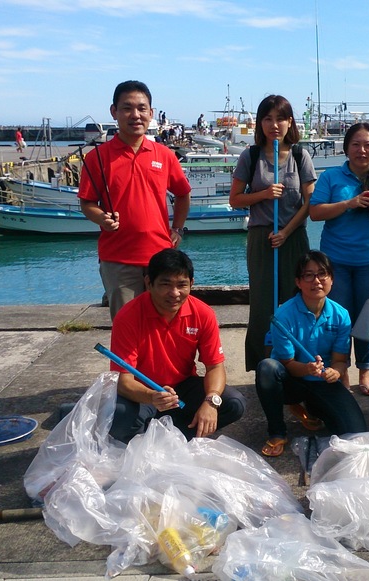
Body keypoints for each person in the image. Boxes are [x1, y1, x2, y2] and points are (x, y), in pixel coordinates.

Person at [78, 80, 192, 320]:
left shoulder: (164, 155)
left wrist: (178, 229)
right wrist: (103, 219)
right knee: (126, 326)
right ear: (114, 112)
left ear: (151, 113)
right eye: (127, 108)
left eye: (142, 108)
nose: (135, 115)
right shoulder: (97, 157)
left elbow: (183, 193)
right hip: (118, 260)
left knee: (163, 324)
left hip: (160, 257)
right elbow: (87, 203)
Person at [107, 248, 246, 443]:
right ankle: (158, 436)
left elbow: (215, 366)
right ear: (148, 283)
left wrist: (211, 401)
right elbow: (123, 381)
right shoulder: (128, 317)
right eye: (165, 284)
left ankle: (174, 439)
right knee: (120, 417)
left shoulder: (203, 313)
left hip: (182, 387)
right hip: (145, 391)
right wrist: (151, 396)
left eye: (182, 285)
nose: (174, 293)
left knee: (234, 403)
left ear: (192, 284)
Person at [309, 122, 369, 396]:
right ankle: (341, 370)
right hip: (335, 261)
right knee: (339, 318)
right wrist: (348, 204)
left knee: (367, 317)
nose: (362, 150)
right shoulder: (331, 177)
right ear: (346, 148)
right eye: (356, 145)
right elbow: (315, 212)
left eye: (368, 145)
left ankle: (365, 369)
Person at [229, 95, 317, 372]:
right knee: (263, 304)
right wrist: (264, 194)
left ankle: (297, 363)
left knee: (297, 299)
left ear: (290, 122)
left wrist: (286, 232)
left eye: (280, 118)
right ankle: (263, 366)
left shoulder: (300, 156)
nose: (274, 125)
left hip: (293, 237)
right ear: (260, 123)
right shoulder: (251, 156)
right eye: (267, 119)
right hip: (261, 237)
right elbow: (235, 199)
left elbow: (309, 203)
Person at [254, 251, 367, 457]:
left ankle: (312, 408)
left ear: (332, 279)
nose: (316, 281)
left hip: (322, 382)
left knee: (355, 432)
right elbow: (287, 362)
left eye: (322, 274)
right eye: (308, 275)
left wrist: (335, 372)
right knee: (267, 368)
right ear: (298, 282)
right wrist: (307, 369)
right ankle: (277, 431)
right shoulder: (283, 315)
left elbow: (340, 360)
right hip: (292, 380)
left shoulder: (341, 315)